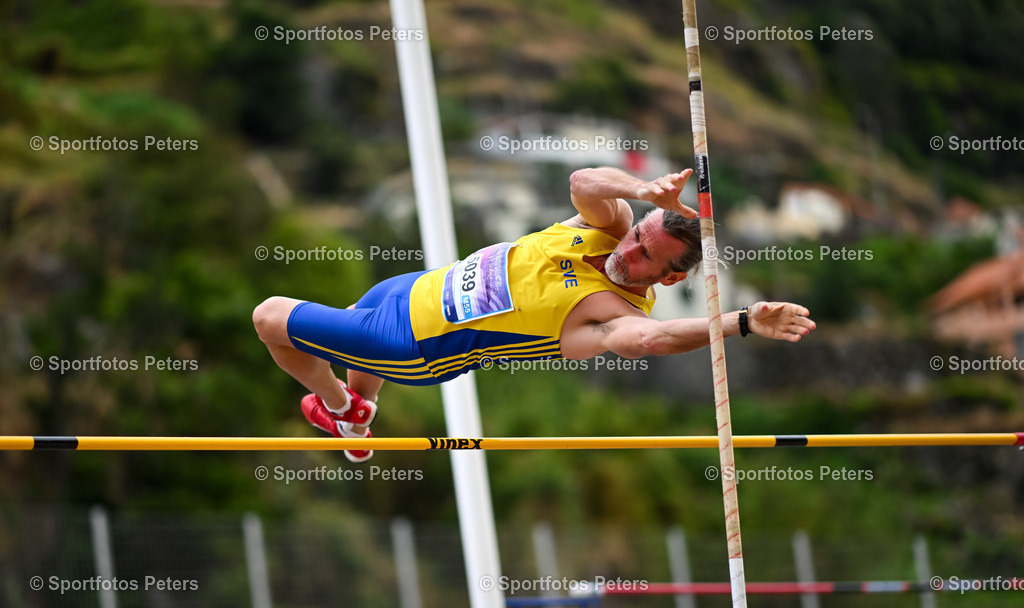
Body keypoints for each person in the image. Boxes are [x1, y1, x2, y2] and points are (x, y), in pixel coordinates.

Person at [253, 167, 816, 461]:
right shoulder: (610, 226)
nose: (629, 250)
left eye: (646, 255)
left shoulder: (612, 315)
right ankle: (357, 420)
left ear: (669, 277)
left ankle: (335, 407)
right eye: (639, 234)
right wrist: (643, 188)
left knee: (270, 318)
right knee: (354, 362)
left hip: (415, 346)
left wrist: (739, 322)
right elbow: (583, 183)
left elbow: (656, 339)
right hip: (412, 289)